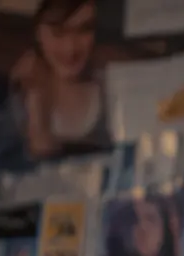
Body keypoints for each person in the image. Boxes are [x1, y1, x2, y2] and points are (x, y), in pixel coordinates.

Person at [8, 0, 111, 164]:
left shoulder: (110, 88)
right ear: (38, 33)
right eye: (58, 32)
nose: (70, 47)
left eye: (84, 29)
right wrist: (37, 109)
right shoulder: (17, 102)